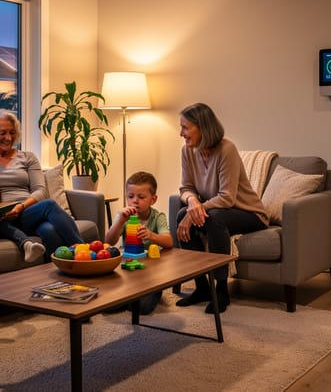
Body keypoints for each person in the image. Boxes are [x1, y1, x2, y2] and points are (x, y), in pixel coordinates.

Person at [175, 102, 268, 314]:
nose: (181, 133)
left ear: (203, 128)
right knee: (182, 213)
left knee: (213, 218)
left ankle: (222, 289)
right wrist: (192, 203)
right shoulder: (187, 151)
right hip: (214, 211)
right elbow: (186, 187)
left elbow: (227, 198)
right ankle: (202, 288)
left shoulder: (227, 149)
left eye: (186, 127)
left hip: (248, 213)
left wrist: (195, 212)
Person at [0, 109, 83, 253]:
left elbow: (41, 191)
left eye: (12, 132)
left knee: (49, 231)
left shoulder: (28, 157)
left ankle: (62, 269)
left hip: (29, 213)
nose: (8, 138)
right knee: (50, 205)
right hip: (5, 218)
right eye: (2, 133)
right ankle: (83, 249)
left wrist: (21, 206)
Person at [105, 171, 172, 314]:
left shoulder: (158, 217)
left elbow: (169, 241)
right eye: (130, 196)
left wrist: (151, 235)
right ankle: (128, 297)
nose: (135, 201)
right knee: (107, 307)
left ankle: (147, 293)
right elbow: (108, 241)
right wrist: (121, 221)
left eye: (141, 197)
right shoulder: (124, 216)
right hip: (128, 270)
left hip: (150, 273)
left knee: (142, 308)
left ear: (153, 199)